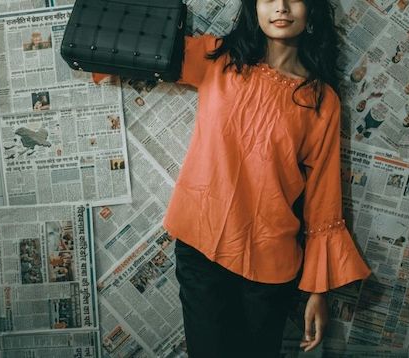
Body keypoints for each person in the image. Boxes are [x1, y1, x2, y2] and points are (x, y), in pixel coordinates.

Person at [94, 0, 371, 356]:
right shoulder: (219, 59)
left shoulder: (321, 100)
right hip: (201, 250)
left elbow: (323, 197)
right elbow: (139, 45)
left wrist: (318, 291)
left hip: (270, 266)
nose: (281, 7)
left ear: (312, 9)